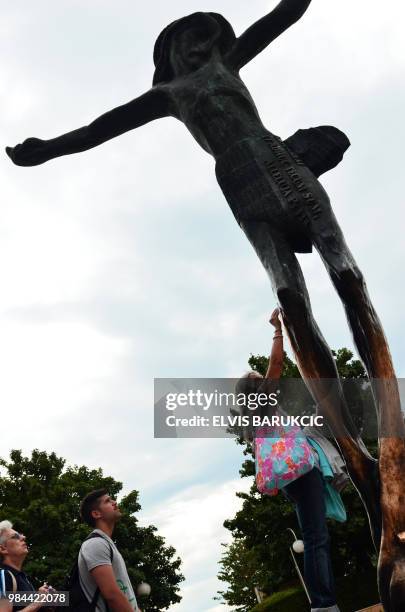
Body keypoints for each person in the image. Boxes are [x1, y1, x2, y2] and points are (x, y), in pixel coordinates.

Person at [7, 0, 399, 548]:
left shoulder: (229, 63)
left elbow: (283, 15)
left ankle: (389, 419)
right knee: (291, 296)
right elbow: (98, 129)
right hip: (240, 182)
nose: (200, 45)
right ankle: (354, 447)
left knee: (349, 277)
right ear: (170, 52)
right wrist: (46, 150)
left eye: (205, 36)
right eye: (189, 39)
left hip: (282, 163)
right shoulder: (170, 95)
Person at [237, 309, 345, 612]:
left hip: (288, 477)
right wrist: (277, 330)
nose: (266, 383)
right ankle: (324, 604)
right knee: (316, 539)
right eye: (259, 381)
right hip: (299, 471)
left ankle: (324, 602)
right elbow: (276, 365)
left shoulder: (254, 418)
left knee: (314, 537)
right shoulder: (262, 404)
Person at [78, 490, 139, 612]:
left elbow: (125, 595)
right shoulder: (95, 544)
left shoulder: (106, 544)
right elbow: (112, 595)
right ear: (96, 514)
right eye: (107, 501)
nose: (114, 502)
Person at [0, 520, 52, 612]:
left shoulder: (23, 578)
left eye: (21, 535)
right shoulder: (4, 575)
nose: (23, 537)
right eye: (15, 537)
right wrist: (38, 601)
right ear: (3, 549)